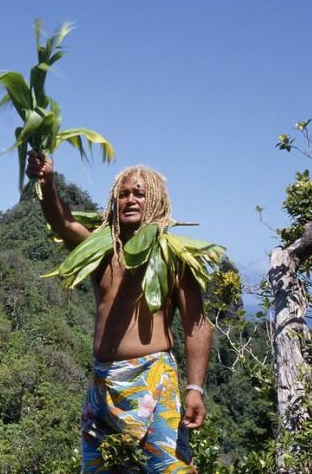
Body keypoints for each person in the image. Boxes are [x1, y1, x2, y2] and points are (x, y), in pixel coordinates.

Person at [26, 151, 210, 473]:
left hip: (153, 380)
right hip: (103, 382)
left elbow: (197, 326)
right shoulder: (101, 251)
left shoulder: (174, 258)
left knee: (169, 468)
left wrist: (195, 389)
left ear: (156, 201)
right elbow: (63, 222)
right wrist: (47, 181)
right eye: (123, 194)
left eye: (139, 193)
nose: (130, 200)